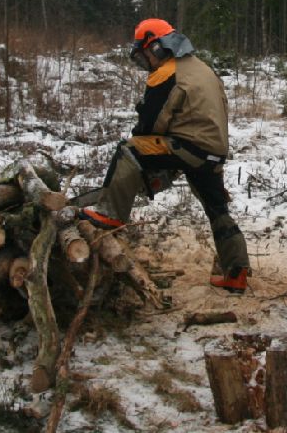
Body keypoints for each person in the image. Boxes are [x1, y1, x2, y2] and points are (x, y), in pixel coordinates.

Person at [81, 18, 251, 293]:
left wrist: (145, 140)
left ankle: (110, 213)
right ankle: (236, 272)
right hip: (213, 152)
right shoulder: (204, 69)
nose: (146, 61)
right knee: (217, 208)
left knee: (130, 150)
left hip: (190, 147)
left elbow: (150, 125)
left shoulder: (167, 73)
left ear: (157, 47)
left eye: (145, 54)